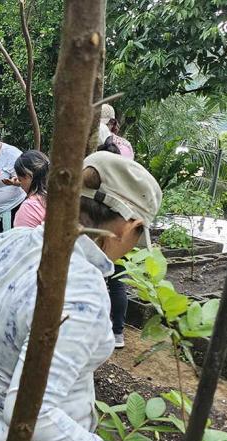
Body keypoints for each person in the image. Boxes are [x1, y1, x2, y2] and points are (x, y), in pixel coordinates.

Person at [0, 151, 209, 441]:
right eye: (136, 238)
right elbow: (31, 414)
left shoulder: (7, 241)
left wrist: (5, 317)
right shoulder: (83, 293)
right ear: (129, 226)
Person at [96, 139, 130, 348]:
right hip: (122, 236)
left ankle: (98, 331)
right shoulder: (127, 179)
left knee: (97, 281)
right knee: (118, 283)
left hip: (98, 235)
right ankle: (118, 332)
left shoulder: (96, 175)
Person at [5, 150, 50, 228]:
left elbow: (21, 238)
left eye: (20, 180)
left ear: (27, 176)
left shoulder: (30, 208)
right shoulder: (61, 196)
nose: (21, 185)